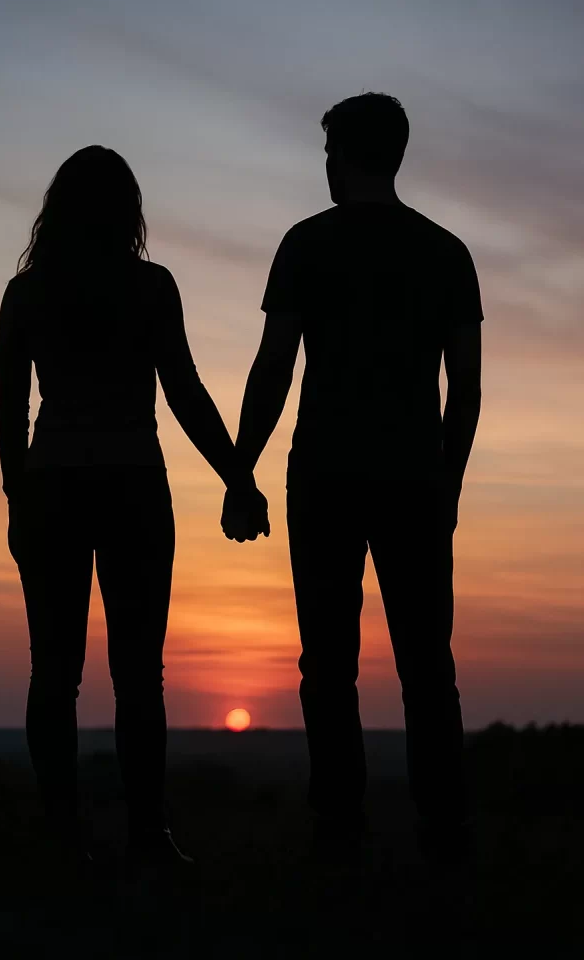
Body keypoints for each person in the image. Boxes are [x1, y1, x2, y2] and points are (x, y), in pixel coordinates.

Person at [222, 93, 483, 863]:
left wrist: (241, 471)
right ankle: (443, 829)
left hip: (326, 475)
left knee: (327, 663)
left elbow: (274, 367)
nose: (326, 166)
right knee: (426, 662)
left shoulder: (306, 244)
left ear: (344, 156)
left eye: (329, 152)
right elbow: (463, 388)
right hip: (412, 478)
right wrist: (450, 482)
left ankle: (339, 826)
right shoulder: (445, 252)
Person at [0, 145, 268, 875]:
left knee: (53, 673)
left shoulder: (26, 293)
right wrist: (236, 476)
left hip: (52, 485)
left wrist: (16, 498)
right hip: (132, 487)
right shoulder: (149, 287)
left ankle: (65, 841)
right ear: (128, 212)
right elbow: (182, 390)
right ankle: (146, 837)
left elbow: (10, 410)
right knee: (137, 674)